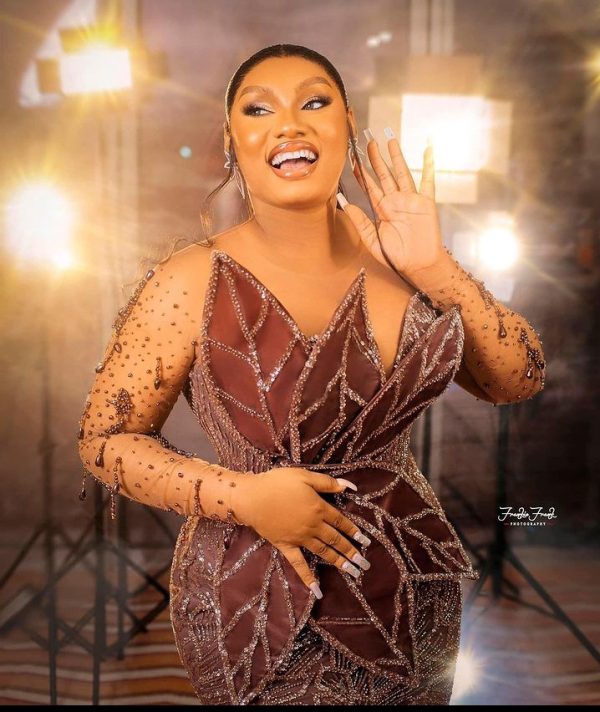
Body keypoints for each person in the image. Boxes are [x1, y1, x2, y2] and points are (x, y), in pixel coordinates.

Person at [77, 44, 546, 705]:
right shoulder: (188, 279)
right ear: (231, 141)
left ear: (347, 124)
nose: (290, 124)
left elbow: (517, 378)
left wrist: (433, 266)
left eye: (314, 102)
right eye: (259, 109)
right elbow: (104, 440)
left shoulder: (403, 260)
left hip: (413, 586)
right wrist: (246, 499)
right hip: (257, 597)